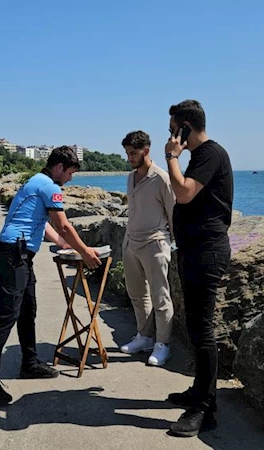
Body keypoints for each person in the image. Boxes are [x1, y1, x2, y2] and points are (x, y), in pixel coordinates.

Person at [0, 146, 102, 406]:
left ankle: (29, 362)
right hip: (12, 256)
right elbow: (62, 225)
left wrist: (65, 245)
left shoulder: (36, 181)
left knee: (27, 310)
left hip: (17, 256)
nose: (70, 178)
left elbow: (42, 223)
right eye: (70, 173)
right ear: (59, 167)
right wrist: (85, 251)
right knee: (6, 317)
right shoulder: (50, 187)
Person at [163, 99, 234, 437]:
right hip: (194, 250)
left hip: (207, 252)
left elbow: (184, 193)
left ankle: (205, 409)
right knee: (194, 327)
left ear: (185, 127)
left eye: (173, 129)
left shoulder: (210, 154)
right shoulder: (200, 156)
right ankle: (199, 390)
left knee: (203, 331)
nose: (170, 136)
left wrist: (171, 157)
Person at [119, 131, 176, 367]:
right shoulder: (130, 177)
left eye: (133, 153)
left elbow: (173, 213)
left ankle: (163, 345)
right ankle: (144, 336)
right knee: (136, 293)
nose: (130, 158)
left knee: (160, 296)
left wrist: (171, 243)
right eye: (127, 153)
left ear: (146, 150)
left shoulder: (161, 178)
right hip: (131, 242)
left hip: (154, 242)